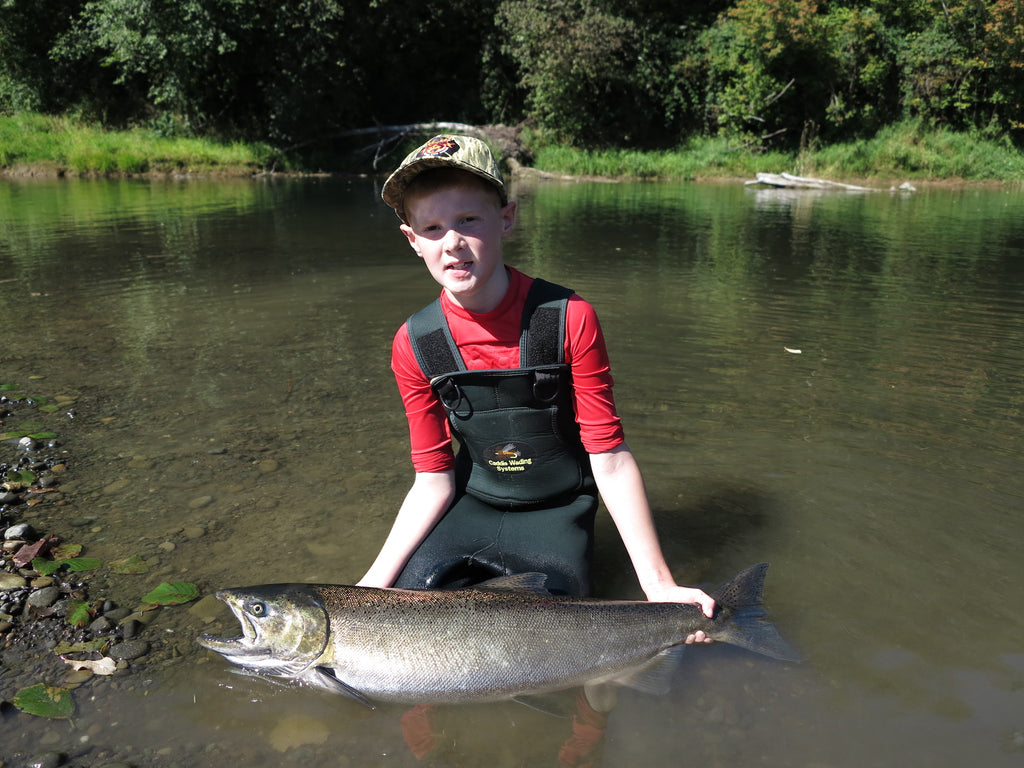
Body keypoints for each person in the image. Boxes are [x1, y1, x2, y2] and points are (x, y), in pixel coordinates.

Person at [358, 134, 714, 764]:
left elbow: (608, 457)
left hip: (558, 508)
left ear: (507, 219)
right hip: (473, 500)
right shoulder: (413, 343)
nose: (453, 242)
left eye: (469, 220)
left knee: (567, 630)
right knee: (406, 616)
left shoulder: (568, 317)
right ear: (412, 241)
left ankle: (588, 720)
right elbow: (432, 481)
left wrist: (659, 585)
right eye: (432, 228)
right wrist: (367, 590)